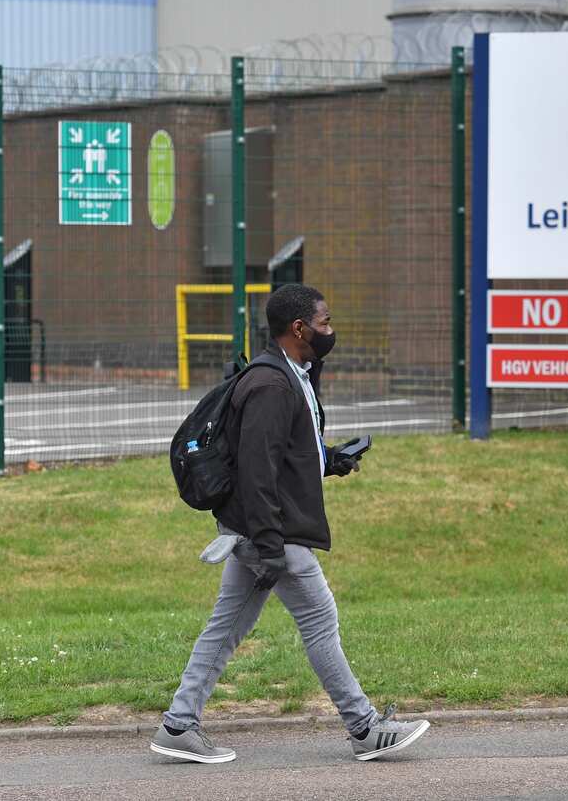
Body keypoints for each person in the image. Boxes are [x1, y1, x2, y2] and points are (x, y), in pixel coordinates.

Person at [151, 283, 430, 764]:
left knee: (226, 628)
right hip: (271, 533)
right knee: (320, 621)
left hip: (259, 531)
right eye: (324, 323)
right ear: (299, 328)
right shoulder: (269, 386)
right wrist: (270, 546)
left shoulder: (292, 374)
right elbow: (258, 471)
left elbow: (284, 456)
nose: (331, 330)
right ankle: (363, 727)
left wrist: (330, 461)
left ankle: (179, 724)